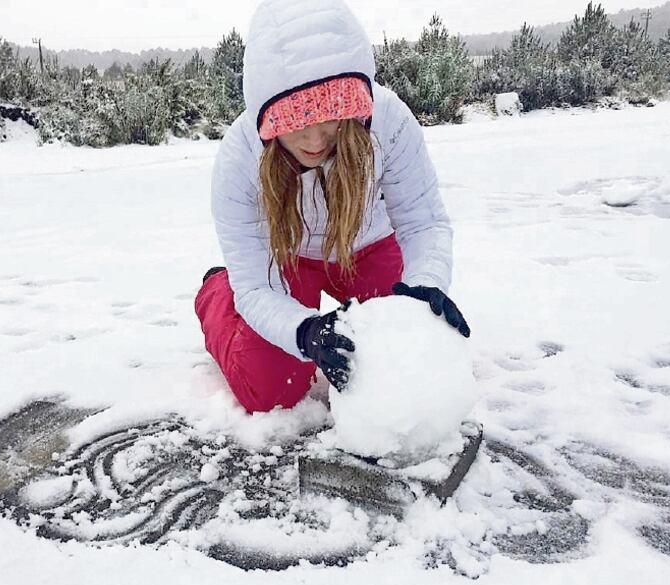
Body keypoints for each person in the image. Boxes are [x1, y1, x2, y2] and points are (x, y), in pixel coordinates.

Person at [195, 0, 471, 414]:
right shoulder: (238, 160)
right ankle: (217, 292)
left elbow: (423, 222)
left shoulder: (390, 122)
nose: (314, 141)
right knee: (270, 392)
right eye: (294, 125)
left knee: (393, 355)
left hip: (369, 247)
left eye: (330, 118)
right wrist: (305, 332)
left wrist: (426, 284)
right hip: (286, 255)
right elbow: (256, 288)